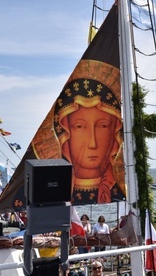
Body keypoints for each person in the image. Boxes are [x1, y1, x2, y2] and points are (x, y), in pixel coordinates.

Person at [31, 69, 126, 205]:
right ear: (64, 134)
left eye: (103, 126)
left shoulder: (124, 189)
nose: (92, 143)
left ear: (115, 133)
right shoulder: (52, 192)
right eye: (80, 127)